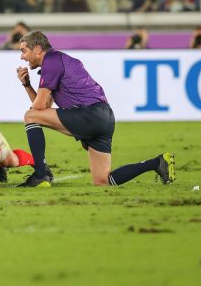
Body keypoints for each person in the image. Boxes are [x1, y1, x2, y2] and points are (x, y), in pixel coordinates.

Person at [15, 31, 175, 187]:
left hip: (89, 114)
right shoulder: (57, 61)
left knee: (30, 116)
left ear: (37, 49)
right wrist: (27, 85)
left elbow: (39, 108)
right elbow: (44, 106)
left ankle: (41, 174)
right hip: (105, 117)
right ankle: (158, 163)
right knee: (103, 181)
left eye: (24, 50)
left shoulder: (51, 62)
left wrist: (31, 97)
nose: (22, 56)